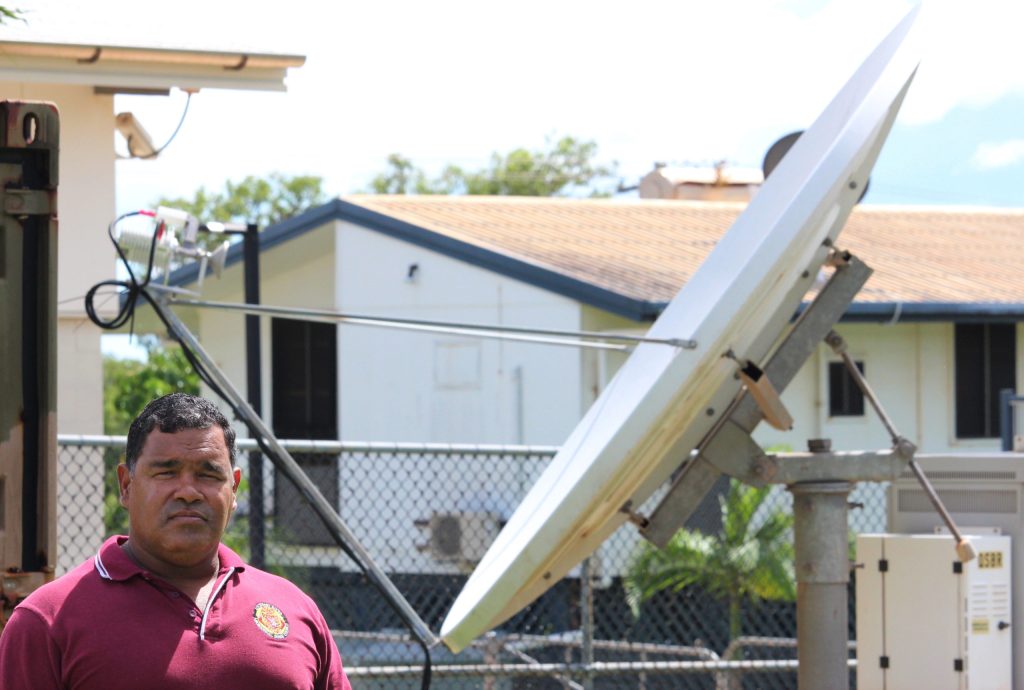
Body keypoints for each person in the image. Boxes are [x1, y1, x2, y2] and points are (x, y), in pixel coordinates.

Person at [0, 393, 352, 689]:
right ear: (126, 485)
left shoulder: (294, 607)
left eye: (209, 474)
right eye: (166, 471)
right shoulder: (47, 621)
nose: (188, 491)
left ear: (234, 490)